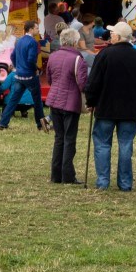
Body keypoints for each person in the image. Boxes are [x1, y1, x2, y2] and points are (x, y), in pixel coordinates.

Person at [85, 21, 136, 191]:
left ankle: (103, 181)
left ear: (119, 37)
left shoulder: (105, 55)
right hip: (131, 109)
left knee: (102, 143)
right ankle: (125, 183)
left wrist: (90, 101)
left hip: (106, 107)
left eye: (113, 34)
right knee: (126, 144)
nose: (110, 35)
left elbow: (93, 82)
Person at [44, 28, 89, 183]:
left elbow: (49, 79)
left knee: (59, 138)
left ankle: (56, 175)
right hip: (71, 103)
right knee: (69, 139)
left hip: (54, 100)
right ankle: (68, 176)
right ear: (75, 42)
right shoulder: (78, 59)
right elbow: (83, 84)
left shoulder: (53, 56)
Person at [0, 20, 40, 131]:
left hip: (19, 74)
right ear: (30, 29)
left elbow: (12, 56)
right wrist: (36, 69)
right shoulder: (33, 42)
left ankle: (3, 122)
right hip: (29, 75)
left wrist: (18, 67)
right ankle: (40, 124)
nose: (38, 30)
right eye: (37, 28)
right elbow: (31, 59)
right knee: (37, 100)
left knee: (13, 99)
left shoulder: (19, 41)